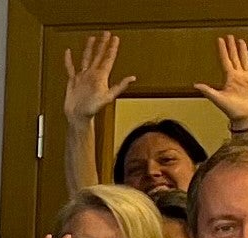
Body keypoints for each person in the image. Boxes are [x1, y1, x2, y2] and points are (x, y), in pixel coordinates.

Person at [58, 32, 207, 198]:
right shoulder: (116, 224)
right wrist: (80, 120)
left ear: (199, 169)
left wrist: (242, 123)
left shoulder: (212, 219)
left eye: (167, 160)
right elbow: (86, 204)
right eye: (135, 169)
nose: (151, 172)